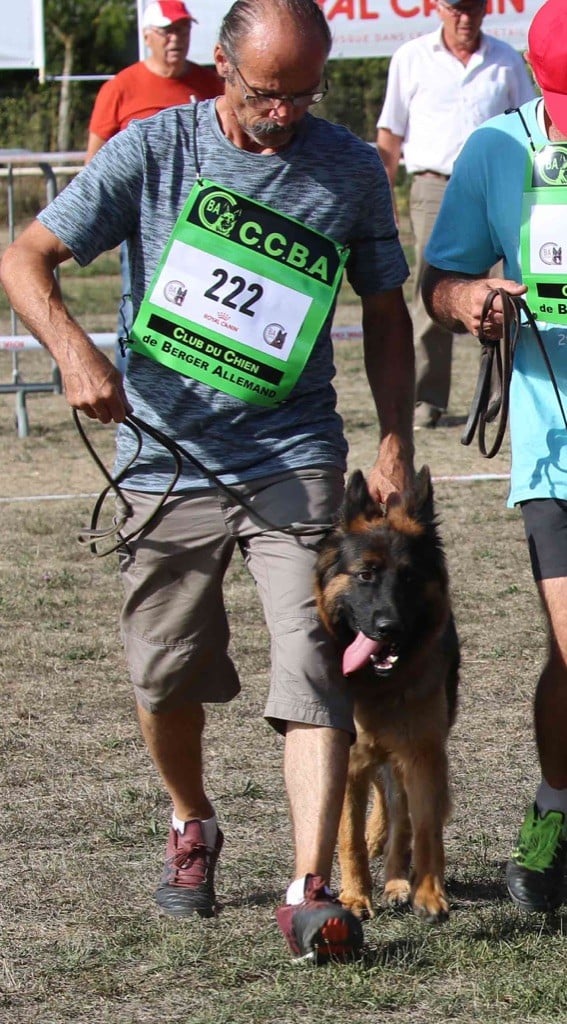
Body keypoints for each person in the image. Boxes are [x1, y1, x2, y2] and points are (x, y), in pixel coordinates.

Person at [0, 0, 415, 962]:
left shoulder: (349, 166)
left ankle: (308, 889)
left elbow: (385, 308)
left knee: (316, 659)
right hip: (165, 454)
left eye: (305, 92)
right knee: (163, 671)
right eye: (268, 93)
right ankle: (192, 820)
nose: (286, 113)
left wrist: (391, 438)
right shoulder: (153, 150)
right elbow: (25, 257)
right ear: (223, 67)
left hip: (294, 453)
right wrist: (74, 351)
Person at [422, 0, 567, 914]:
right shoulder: (495, 150)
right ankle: (555, 810)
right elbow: (436, 281)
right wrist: (472, 296)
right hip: (555, 444)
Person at [377, 0, 534, 429]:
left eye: (473, 7)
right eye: (456, 8)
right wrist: (382, 198)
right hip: (434, 186)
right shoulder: (410, 58)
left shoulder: (505, 58)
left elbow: (532, 123)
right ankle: (428, 399)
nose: (464, 17)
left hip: (504, 185)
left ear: (485, 9)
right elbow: (390, 135)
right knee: (433, 291)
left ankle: (507, 396)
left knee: (512, 293)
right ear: (439, 9)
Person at [86, 0, 223, 368]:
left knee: (205, 318)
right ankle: (132, 394)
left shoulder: (212, 85)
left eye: (182, 30)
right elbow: (95, 164)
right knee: (139, 308)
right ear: (148, 36)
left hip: (208, 228)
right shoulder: (121, 88)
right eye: (166, 31)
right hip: (144, 228)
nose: (175, 39)